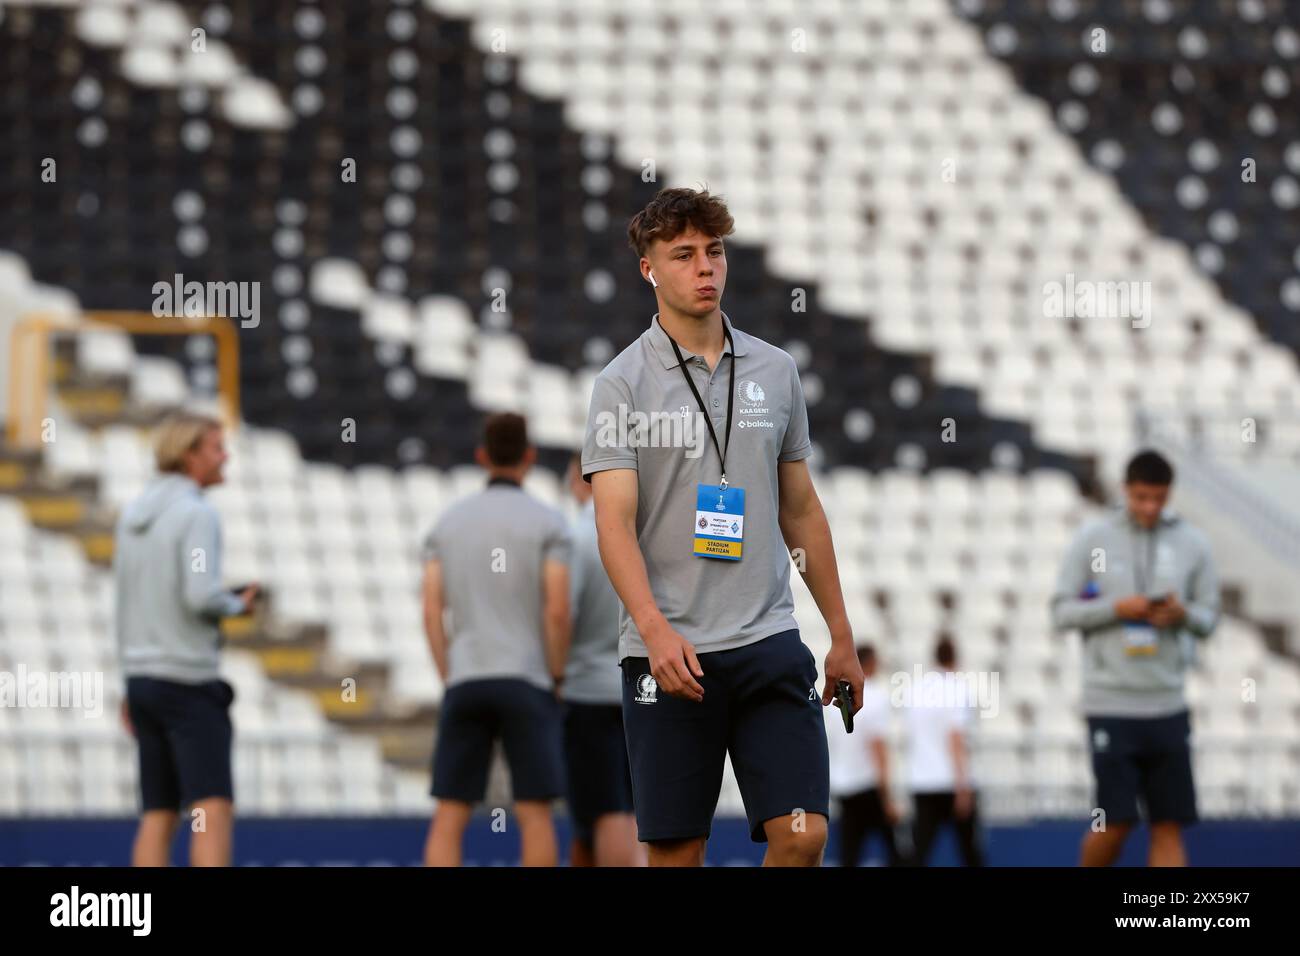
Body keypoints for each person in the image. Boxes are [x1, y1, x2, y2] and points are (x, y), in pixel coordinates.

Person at [581, 186, 864, 867]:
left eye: (714, 252)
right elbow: (613, 523)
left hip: (768, 640)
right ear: (648, 268)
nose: (705, 267)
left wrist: (842, 636)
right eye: (684, 255)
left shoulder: (777, 369)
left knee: (804, 835)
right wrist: (653, 629)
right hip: (670, 656)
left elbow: (799, 509)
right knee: (677, 857)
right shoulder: (620, 384)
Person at [1051, 449, 1220, 867]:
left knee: (1168, 823)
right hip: (1111, 703)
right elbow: (1061, 611)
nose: (1150, 507)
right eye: (1142, 497)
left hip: (1168, 702)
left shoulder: (1193, 543)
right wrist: (1116, 609)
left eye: (1159, 498)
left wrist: (1181, 615)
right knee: (1116, 821)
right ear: (1126, 489)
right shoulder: (1093, 538)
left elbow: (1209, 617)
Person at [421, 413, 572, 866]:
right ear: (529, 456)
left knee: (450, 812)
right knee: (535, 812)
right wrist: (557, 674)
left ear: (482, 456)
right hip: (527, 678)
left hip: (468, 675)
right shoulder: (549, 523)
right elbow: (558, 609)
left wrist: (450, 674)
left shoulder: (447, 524)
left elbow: (431, 609)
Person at [114, 411, 258, 867]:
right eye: (216, 448)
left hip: (143, 679)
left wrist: (128, 679)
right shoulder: (196, 515)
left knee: (158, 814)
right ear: (189, 454)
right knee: (210, 809)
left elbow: (126, 603)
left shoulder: (134, 515)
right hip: (186, 681)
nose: (225, 456)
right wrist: (238, 605)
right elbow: (200, 593)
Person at [562, 454, 643, 866]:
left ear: (579, 483)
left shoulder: (575, 538)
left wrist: (554, 673)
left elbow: (563, 614)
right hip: (637, 683)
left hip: (586, 690)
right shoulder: (638, 534)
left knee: (604, 809)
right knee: (634, 806)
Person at [906, 637, 984, 867]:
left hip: (922, 781)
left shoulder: (915, 690)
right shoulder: (958, 689)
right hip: (951, 782)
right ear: (955, 657)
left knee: (919, 852)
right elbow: (956, 738)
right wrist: (963, 785)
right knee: (970, 853)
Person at [827, 645, 903, 866]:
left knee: (849, 853)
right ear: (870, 663)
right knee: (896, 851)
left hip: (843, 785)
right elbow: (877, 748)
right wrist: (887, 797)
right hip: (868, 785)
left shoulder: (836, 699)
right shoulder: (875, 695)